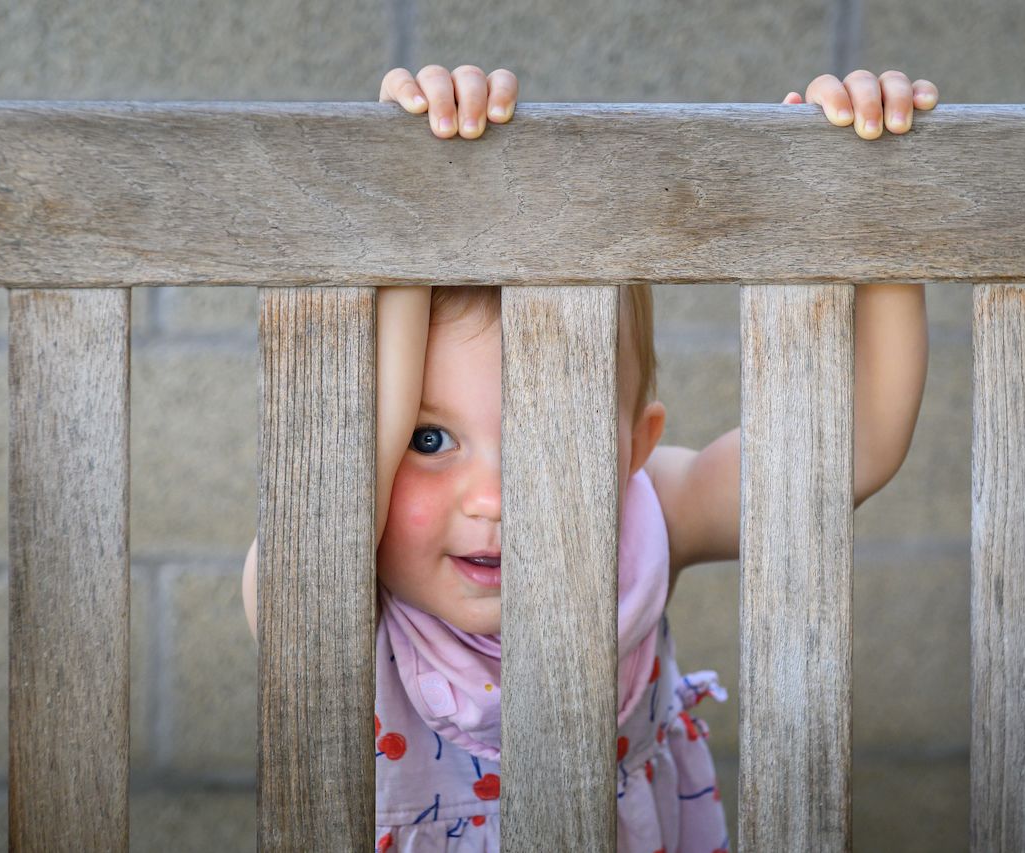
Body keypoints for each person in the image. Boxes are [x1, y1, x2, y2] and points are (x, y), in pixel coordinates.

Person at [242, 64, 935, 852]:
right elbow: (339, 478)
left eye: (550, 430)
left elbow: (856, 446)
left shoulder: (650, 513)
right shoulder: (329, 593)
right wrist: (406, 208)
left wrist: (878, 208)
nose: (494, 499)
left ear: (636, 448)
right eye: (427, 439)